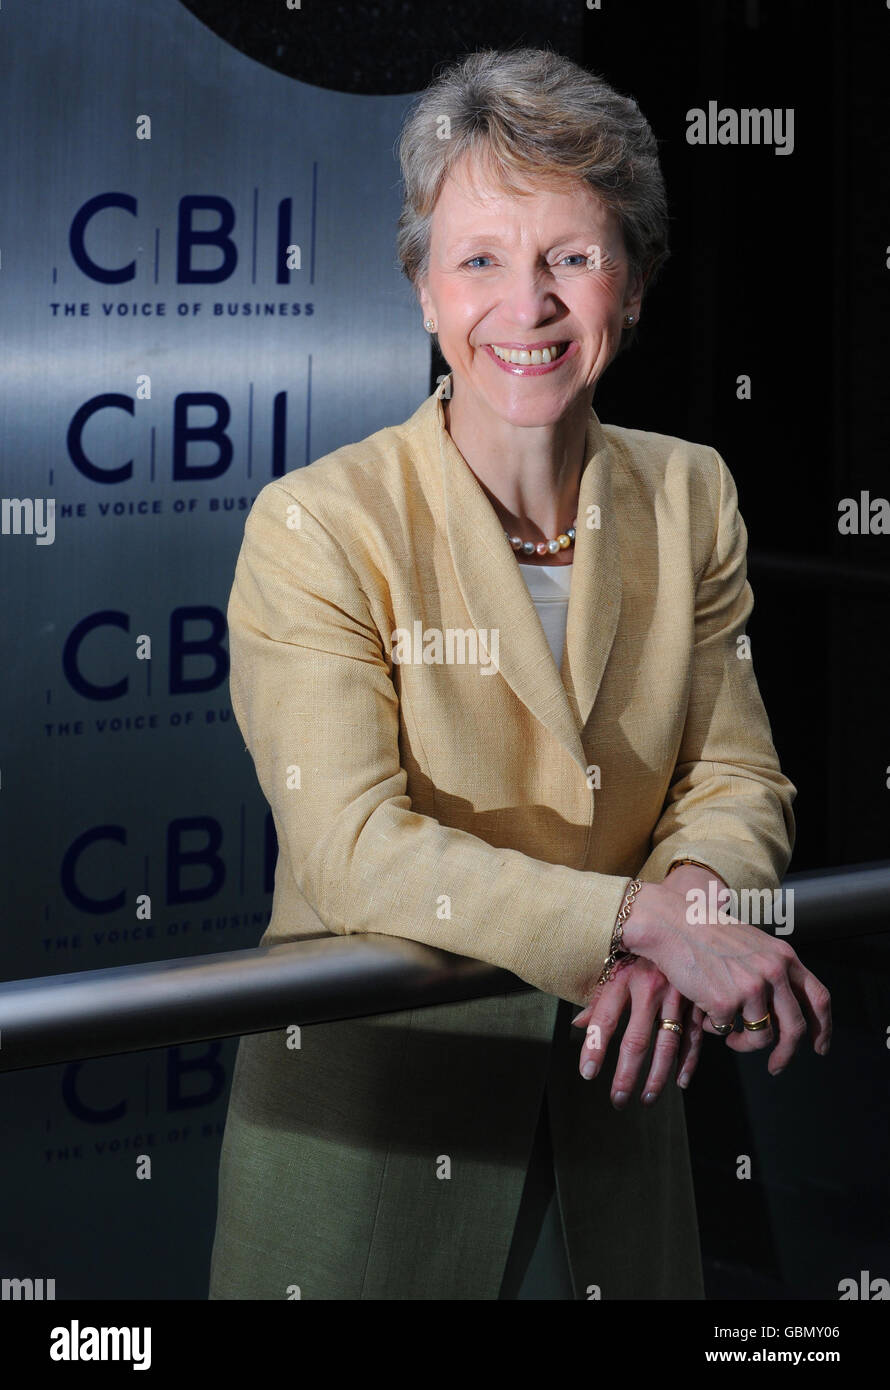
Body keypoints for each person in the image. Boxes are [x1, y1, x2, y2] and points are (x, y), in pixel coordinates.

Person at [208, 46, 831, 1301]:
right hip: (377, 1128)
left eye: (571, 256)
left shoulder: (689, 491)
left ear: (635, 284)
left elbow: (733, 771)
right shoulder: (316, 524)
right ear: (424, 290)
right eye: (479, 258)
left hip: (620, 1105)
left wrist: (694, 899)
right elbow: (352, 847)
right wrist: (636, 920)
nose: (525, 303)